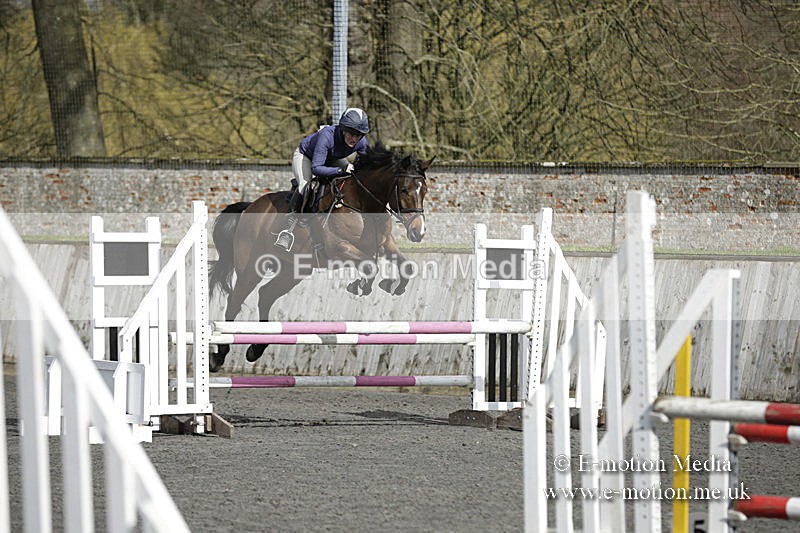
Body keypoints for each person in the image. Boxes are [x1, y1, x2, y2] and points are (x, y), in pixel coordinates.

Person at [275, 107, 370, 252]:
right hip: (307, 157)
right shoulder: (327, 136)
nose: (355, 139)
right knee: (305, 186)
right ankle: (287, 228)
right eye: (352, 133)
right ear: (343, 129)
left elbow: (366, 166)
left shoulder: (361, 142)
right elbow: (317, 168)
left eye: (359, 135)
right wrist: (340, 170)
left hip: (333, 158)